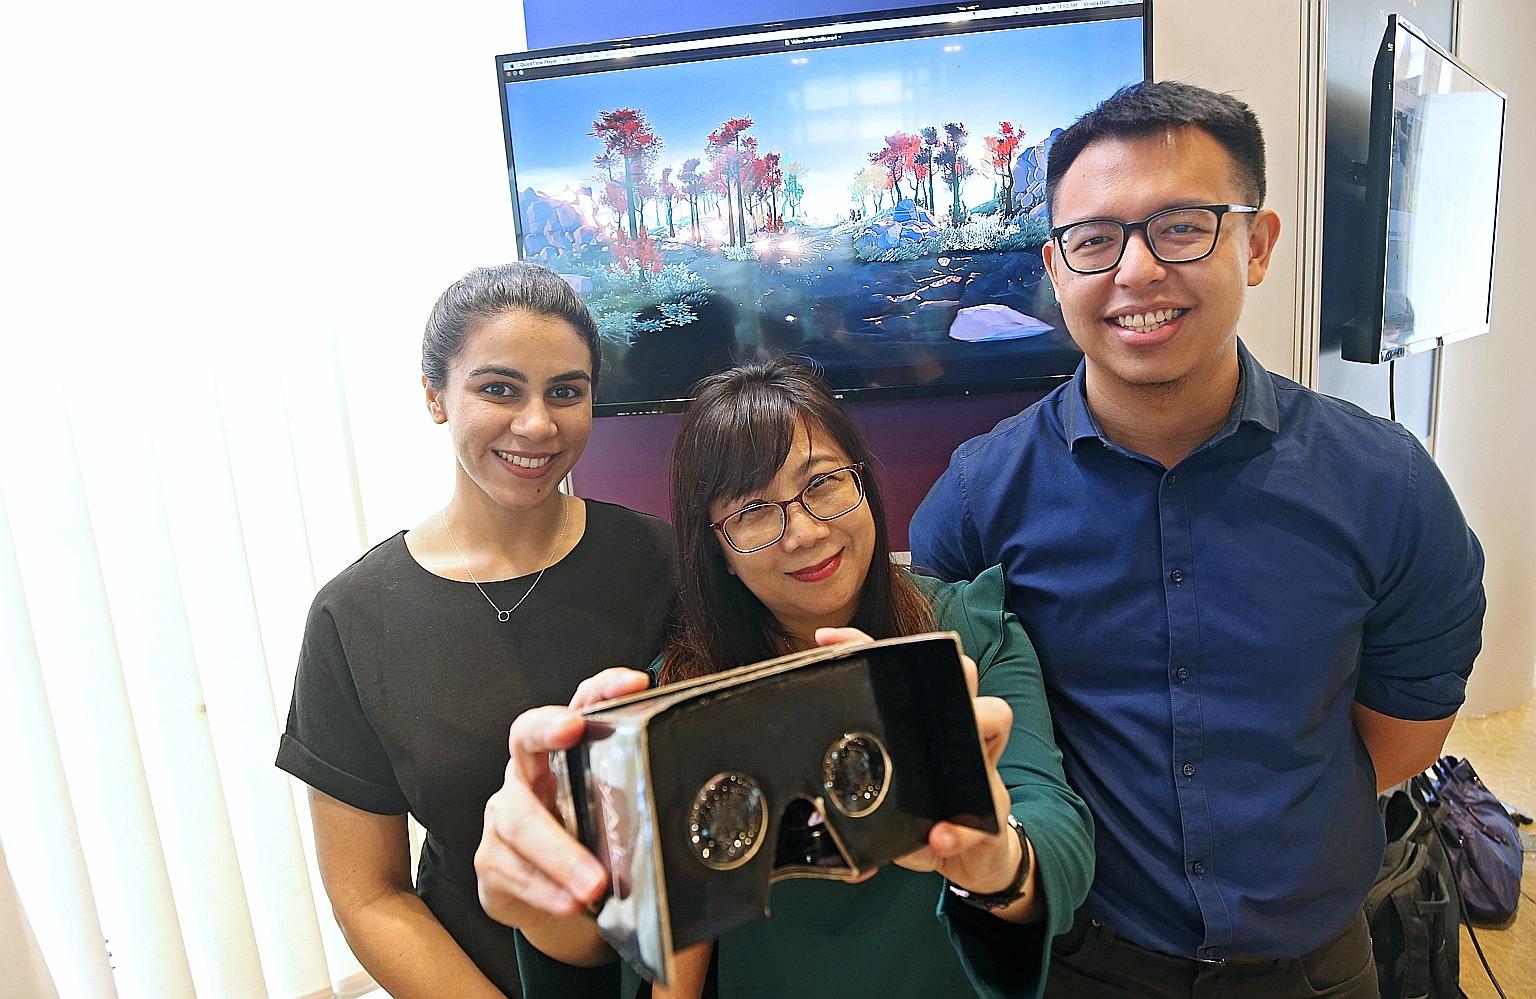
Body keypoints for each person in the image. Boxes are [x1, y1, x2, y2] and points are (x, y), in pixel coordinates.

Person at [910, 81, 1486, 999]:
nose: (1135, 272)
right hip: (1088, 961)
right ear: (1058, 270)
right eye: (1095, 239)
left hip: (1316, 962)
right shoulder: (980, 500)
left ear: (1256, 246)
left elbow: (1404, 737)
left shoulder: (1388, 485)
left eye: (1182, 226)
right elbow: (965, 727)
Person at [475, 357, 1095, 999]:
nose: (802, 531)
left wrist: (996, 862)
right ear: (719, 553)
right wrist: (548, 899)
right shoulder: (681, 701)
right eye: (752, 511)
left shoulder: (970, 631)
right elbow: (654, 952)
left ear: (865, 487)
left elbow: (1054, 822)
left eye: (823, 483)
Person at [275, 262, 677, 998]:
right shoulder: (353, 618)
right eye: (498, 388)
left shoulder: (665, 563)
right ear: (435, 395)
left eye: (566, 391)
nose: (537, 423)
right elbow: (368, 892)